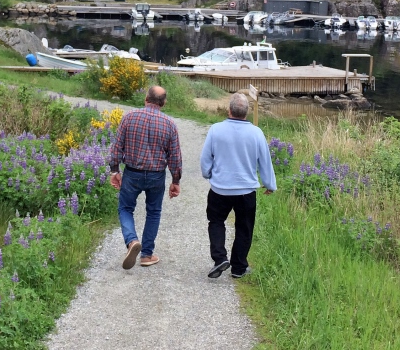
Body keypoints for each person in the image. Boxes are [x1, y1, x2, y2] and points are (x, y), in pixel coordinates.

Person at [200, 93, 276, 279]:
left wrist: (208, 174)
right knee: (244, 227)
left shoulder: (216, 130)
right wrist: (269, 183)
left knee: (216, 222)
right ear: (246, 113)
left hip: (220, 188)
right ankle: (238, 268)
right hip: (246, 190)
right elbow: (265, 161)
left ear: (229, 110)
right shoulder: (256, 133)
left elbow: (205, 158)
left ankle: (220, 259)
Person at [109, 85, 182, 269]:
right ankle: (146, 255)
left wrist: (115, 170)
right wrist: (175, 181)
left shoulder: (129, 118)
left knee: (125, 208)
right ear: (163, 103)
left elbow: (117, 147)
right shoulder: (169, 124)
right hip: (157, 176)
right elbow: (175, 157)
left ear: (145, 99)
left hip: (132, 172)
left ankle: (132, 241)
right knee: (153, 212)